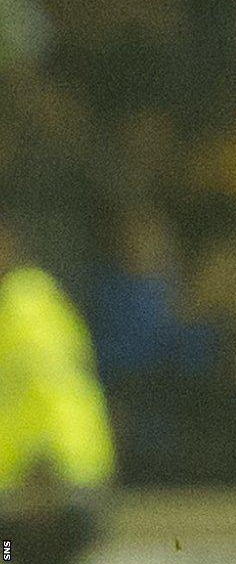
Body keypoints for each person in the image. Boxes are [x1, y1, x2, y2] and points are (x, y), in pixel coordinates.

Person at [0, 209, 116, 564]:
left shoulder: (22, 305)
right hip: (65, 485)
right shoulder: (42, 300)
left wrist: (42, 476)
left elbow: (45, 392)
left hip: (42, 494)